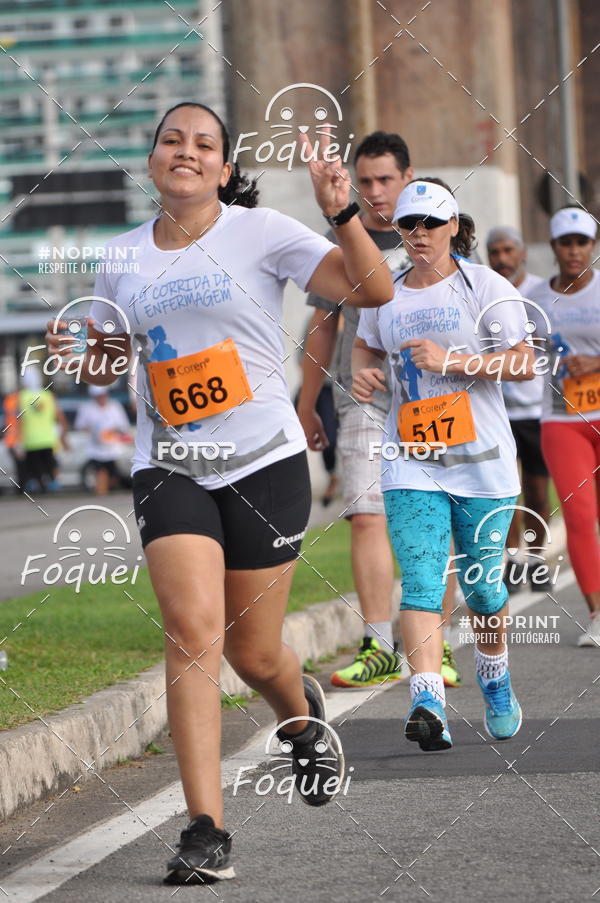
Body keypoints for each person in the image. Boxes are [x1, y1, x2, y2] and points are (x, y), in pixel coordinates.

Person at [45, 102, 393, 884]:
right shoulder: (120, 258)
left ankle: (297, 712)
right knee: (192, 631)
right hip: (169, 463)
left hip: (264, 460)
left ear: (226, 169)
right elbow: (106, 363)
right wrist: (80, 356)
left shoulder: (261, 233)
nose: (187, 152)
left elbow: (373, 291)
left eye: (205, 144)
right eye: (173, 139)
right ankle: (205, 828)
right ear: (153, 157)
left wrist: (340, 207)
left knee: (253, 649)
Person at [353, 178, 534, 751]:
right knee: (425, 580)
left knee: (481, 592)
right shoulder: (385, 290)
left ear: (454, 226)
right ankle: (427, 699)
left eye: (432, 223)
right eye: (409, 225)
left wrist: (453, 360)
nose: (419, 234)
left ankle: (495, 676)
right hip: (412, 461)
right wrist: (363, 372)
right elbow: (364, 344)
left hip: (483, 466)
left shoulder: (485, 285)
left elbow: (526, 362)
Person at [297, 131, 463, 689]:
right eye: (363, 180)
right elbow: (322, 327)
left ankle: (432, 644)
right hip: (360, 394)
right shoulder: (339, 238)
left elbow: (471, 314)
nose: (373, 191)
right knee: (366, 515)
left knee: (435, 519)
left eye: (385, 179)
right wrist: (306, 403)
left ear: (409, 175)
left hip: (432, 397)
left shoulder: (440, 229)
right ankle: (377, 644)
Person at [529, 206, 600, 647]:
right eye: (566, 243)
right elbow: (523, 355)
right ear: (554, 247)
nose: (574, 251)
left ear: (592, 246)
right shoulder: (535, 299)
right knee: (578, 516)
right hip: (561, 418)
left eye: (582, 242)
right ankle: (597, 614)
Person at [486, 226, 550, 592]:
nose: (502, 259)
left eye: (509, 250)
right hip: (499, 411)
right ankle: (512, 561)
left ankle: (537, 560)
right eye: (495, 252)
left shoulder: (541, 293)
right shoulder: (484, 290)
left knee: (538, 491)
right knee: (506, 493)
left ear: (522, 253)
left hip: (538, 411)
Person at [19, 366, 69, 493]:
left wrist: (18, 441)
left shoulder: (22, 397)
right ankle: (54, 485)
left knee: (34, 469)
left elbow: (19, 421)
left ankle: (37, 486)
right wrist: (63, 436)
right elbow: (60, 417)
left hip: (30, 441)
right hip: (48, 439)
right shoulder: (48, 395)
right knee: (51, 466)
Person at [75, 385, 131, 495]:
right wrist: (93, 430)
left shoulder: (115, 406)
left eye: (103, 395)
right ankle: (101, 493)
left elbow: (123, 426)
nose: (101, 398)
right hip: (95, 449)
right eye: (98, 396)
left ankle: (108, 490)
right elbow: (79, 425)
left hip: (113, 449)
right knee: (100, 472)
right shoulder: (87, 408)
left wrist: (112, 431)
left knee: (114, 476)